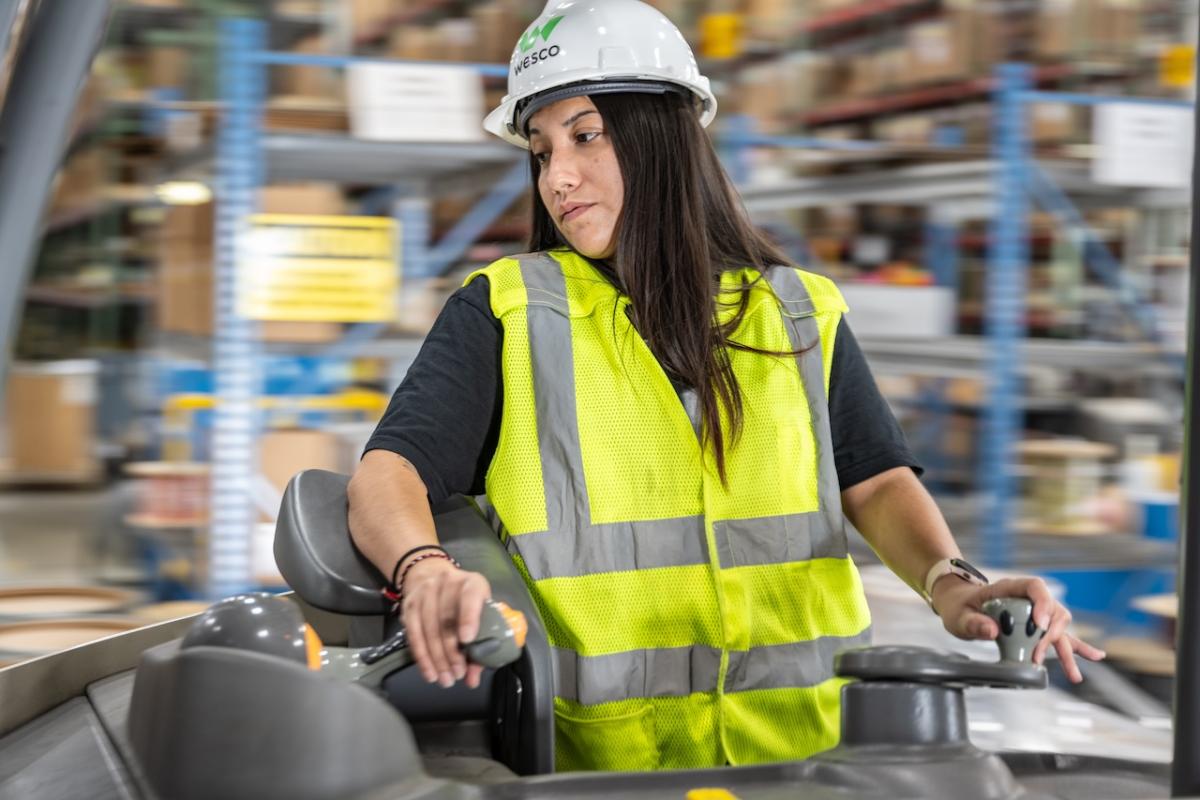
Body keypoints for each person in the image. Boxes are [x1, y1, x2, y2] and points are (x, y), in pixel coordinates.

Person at [348, 0, 1103, 772]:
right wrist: (425, 571)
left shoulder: (795, 309)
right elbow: (387, 474)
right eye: (541, 153)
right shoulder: (508, 312)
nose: (558, 177)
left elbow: (873, 478)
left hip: (804, 761)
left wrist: (950, 582)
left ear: (663, 135)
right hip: (602, 773)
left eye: (584, 136)